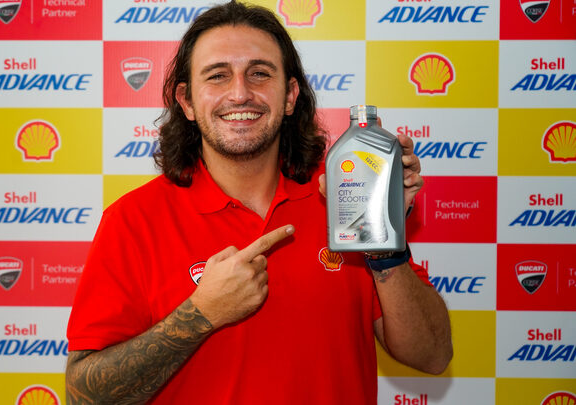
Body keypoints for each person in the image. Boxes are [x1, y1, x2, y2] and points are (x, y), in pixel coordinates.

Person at [65, 1, 453, 404]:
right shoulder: (133, 220)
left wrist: (385, 240)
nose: (240, 93)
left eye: (260, 74)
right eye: (217, 75)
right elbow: (84, 396)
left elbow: (433, 356)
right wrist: (200, 315)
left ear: (290, 96)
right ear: (187, 101)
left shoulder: (343, 196)